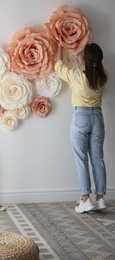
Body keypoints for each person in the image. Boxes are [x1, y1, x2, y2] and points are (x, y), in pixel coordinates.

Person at [55, 43, 108, 213]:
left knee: (81, 159)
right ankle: (100, 198)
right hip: (98, 118)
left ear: (85, 58)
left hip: (81, 117)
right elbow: (94, 68)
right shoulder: (103, 76)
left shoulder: (76, 75)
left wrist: (59, 46)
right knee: (98, 159)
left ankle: (85, 199)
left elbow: (58, 65)